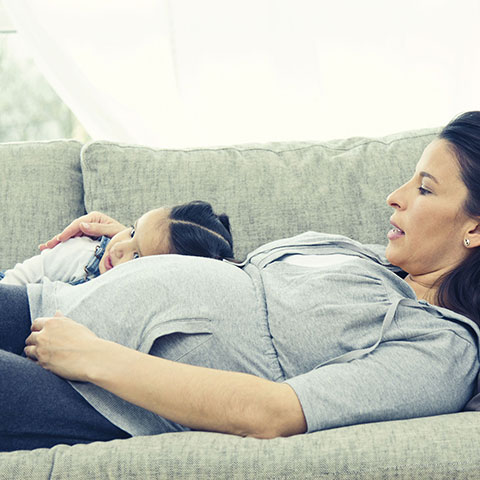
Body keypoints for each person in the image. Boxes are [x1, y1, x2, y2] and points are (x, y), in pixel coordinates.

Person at [1, 111, 480, 452]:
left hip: (98, 392)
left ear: (475, 228)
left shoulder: (440, 351)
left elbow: (272, 412)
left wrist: (95, 358)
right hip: (60, 306)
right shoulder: (370, 259)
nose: (395, 197)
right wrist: (130, 244)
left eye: (423, 188)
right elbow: (231, 281)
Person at [0, 200, 234, 285]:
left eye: (137, 257)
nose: (119, 247)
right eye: (132, 232)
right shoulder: (86, 255)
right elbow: (23, 275)